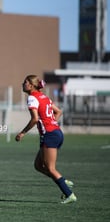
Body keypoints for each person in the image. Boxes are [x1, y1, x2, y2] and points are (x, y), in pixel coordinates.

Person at [15, 75, 76, 204]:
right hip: (55, 133)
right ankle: (63, 181)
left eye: (25, 82)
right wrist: (52, 124)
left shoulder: (32, 98)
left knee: (50, 168)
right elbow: (58, 112)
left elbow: (35, 119)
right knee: (38, 165)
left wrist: (22, 133)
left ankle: (69, 194)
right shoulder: (44, 97)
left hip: (50, 135)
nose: (22, 84)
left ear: (31, 85)